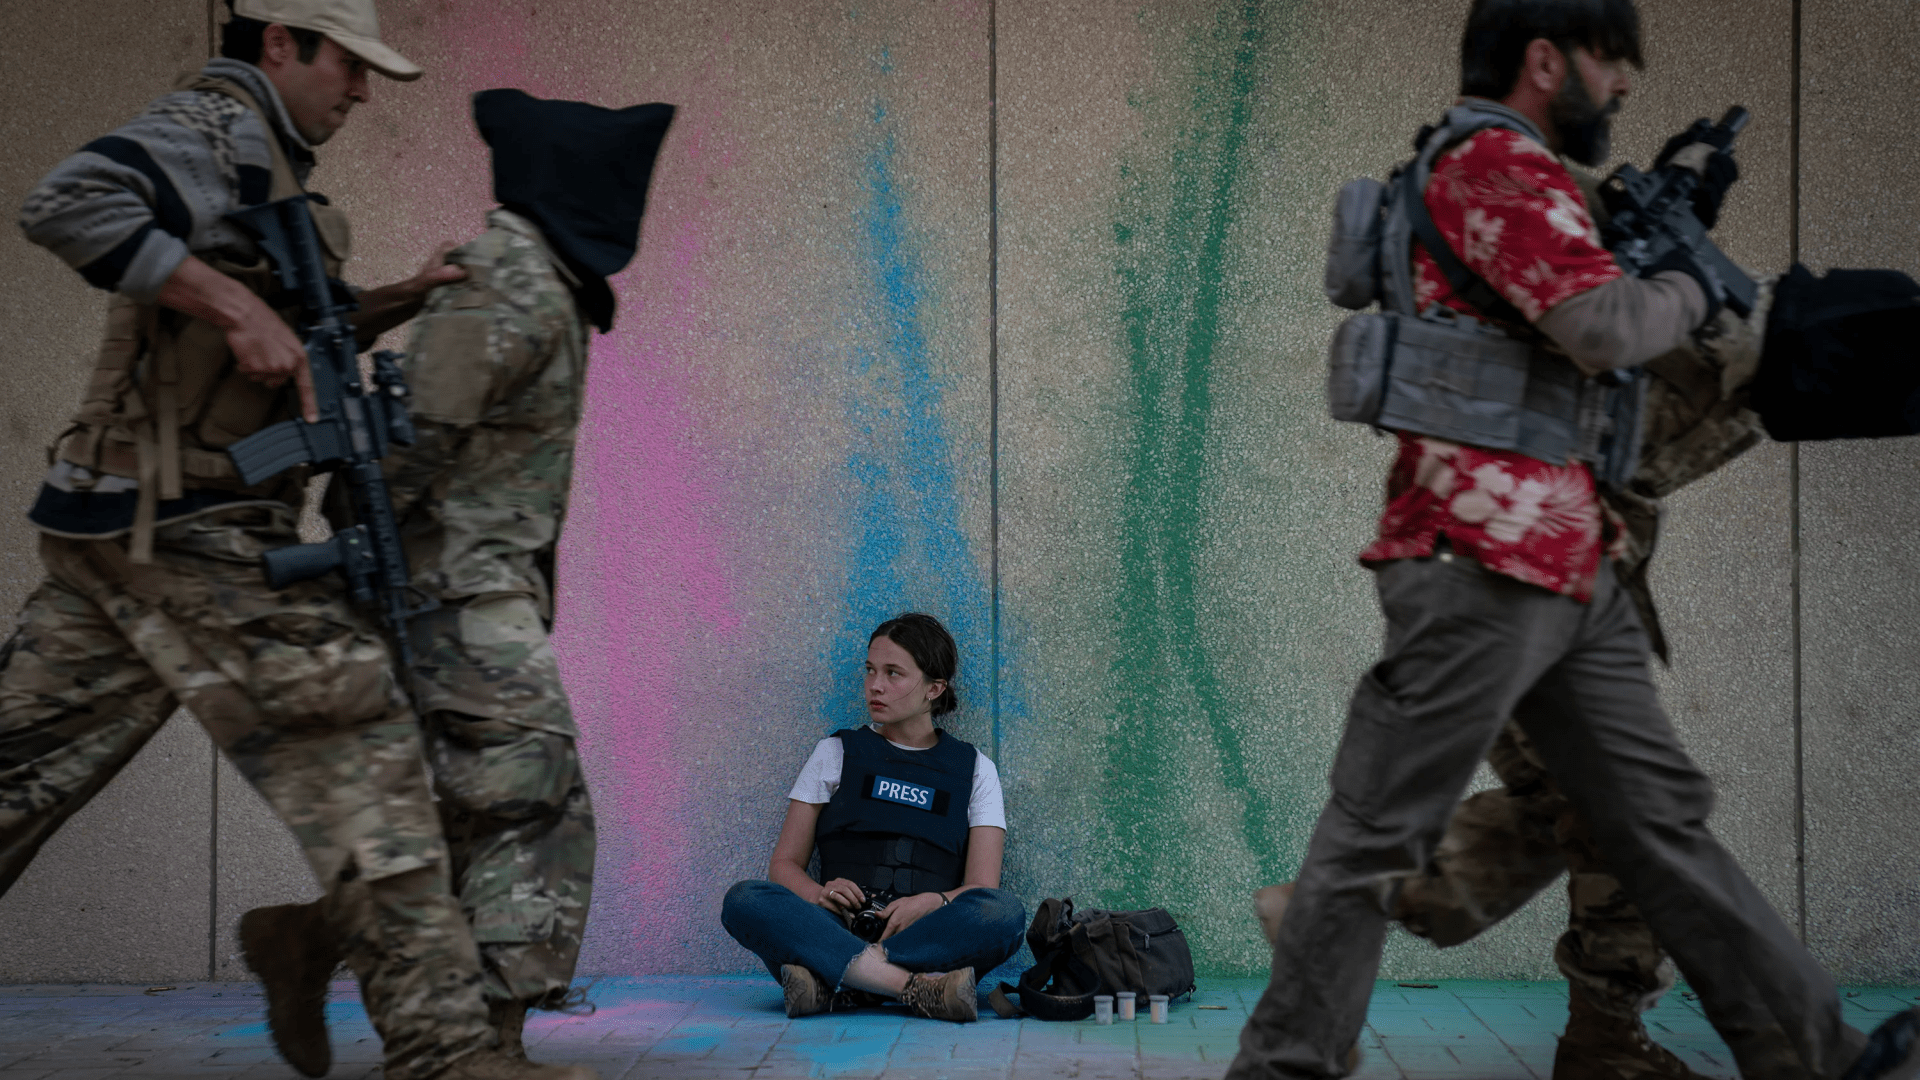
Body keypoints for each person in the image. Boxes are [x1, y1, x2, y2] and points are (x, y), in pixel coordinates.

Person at [1227, 2, 1919, 1078]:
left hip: (1565, 558)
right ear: (1547, 60)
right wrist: (1692, 278)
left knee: (1660, 824)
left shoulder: (1510, 173)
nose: (1625, 85)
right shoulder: (1492, 159)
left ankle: (1813, 1052)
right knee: (1373, 840)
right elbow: (1600, 327)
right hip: (1480, 557)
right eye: (1612, 59)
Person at [1, 3, 592, 1079]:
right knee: (367, 745)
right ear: (280, 42)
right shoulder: (216, 127)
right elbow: (67, 201)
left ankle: (312, 953)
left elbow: (275, 332)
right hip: (190, 536)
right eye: (348, 67)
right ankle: (447, 1052)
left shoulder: (267, 162)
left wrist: (394, 299)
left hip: (124, 532)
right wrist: (231, 305)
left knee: (15, 775)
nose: (361, 93)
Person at [239, 88, 675, 1073]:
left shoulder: (535, 281)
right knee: (537, 800)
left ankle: (313, 939)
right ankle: (487, 1042)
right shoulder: (511, 283)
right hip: (453, 595)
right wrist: (383, 571)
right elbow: (410, 442)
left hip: (470, 590)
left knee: (477, 806)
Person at [721, 613, 1026, 1023]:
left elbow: (982, 888)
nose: (875, 686)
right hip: (836, 925)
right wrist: (818, 896)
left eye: (893, 673)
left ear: (934, 688)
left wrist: (932, 903)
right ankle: (913, 989)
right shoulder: (835, 752)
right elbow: (784, 865)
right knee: (745, 900)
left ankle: (841, 983)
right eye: (870, 670)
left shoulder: (975, 769)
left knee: (1004, 913)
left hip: (922, 936)